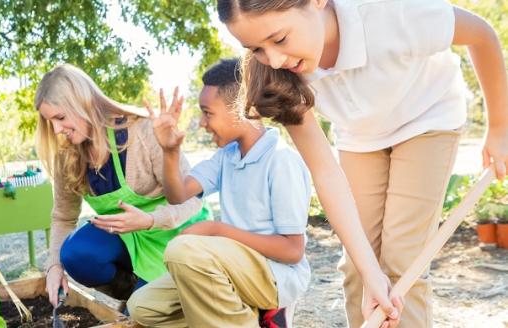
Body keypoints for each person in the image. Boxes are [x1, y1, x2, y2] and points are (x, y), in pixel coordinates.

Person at [216, 0, 508, 327]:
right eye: (256, 49)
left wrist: (498, 127)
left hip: (427, 120)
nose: (274, 59)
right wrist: (370, 273)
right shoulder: (277, 74)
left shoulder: (390, 12)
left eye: (280, 39)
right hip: (360, 135)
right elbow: (325, 172)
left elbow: (481, 35)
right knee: (359, 267)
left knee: (402, 265)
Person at [127, 58, 312, 328]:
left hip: (275, 275)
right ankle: (241, 316)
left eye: (207, 112)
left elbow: (292, 251)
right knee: (143, 307)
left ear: (243, 108)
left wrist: (218, 229)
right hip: (230, 268)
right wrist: (169, 151)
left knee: (183, 251)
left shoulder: (281, 160)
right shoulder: (227, 156)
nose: (202, 123)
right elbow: (177, 194)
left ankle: (260, 314)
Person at [35, 64, 212, 307]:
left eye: (60, 117)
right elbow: (63, 218)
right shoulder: (68, 156)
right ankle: (134, 294)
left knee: (158, 314)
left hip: (177, 234)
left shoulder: (143, 131)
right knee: (75, 253)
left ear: (82, 103)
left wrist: (150, 220)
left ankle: (161, 294)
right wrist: (54, 266)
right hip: (130, 239)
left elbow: (192, 200)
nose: (56, 129)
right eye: (50, 121)